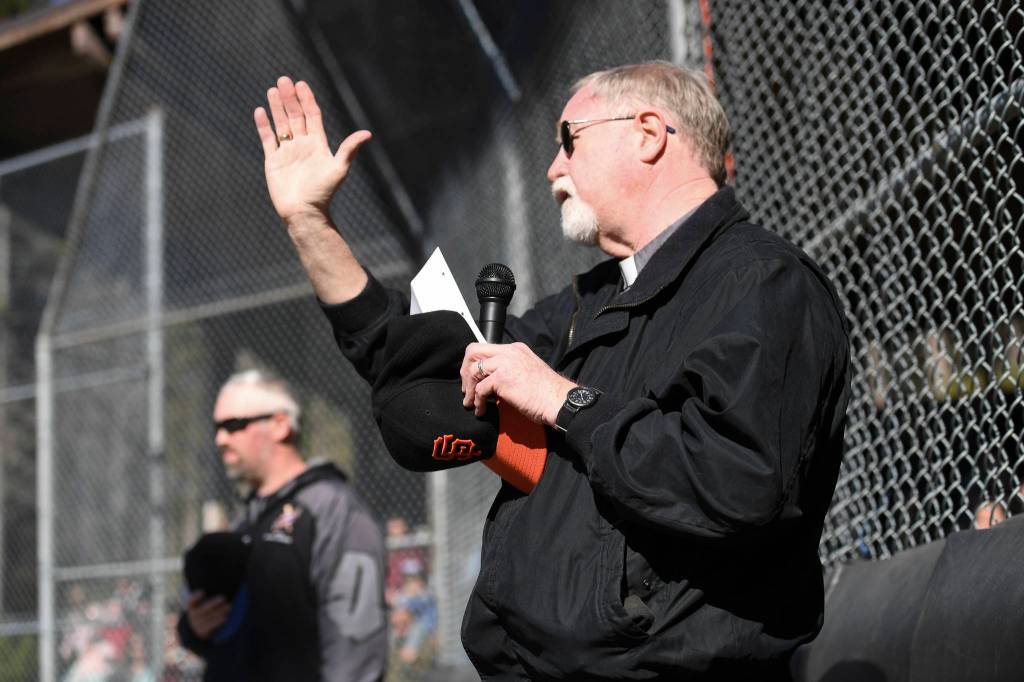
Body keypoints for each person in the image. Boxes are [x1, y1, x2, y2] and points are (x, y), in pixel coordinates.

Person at [253, 62, 851, 679]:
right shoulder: (584, 304)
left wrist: (564, 401)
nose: (553, 168)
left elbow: (739, 481)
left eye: (570, 140)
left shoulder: (762, 282)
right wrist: (310, 226)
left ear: (648, 133)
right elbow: (424, 369)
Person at [176, 370, 387, 681]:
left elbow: (358, 641)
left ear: (280, 425)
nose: (221, 439)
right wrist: (193, 628)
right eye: (217, 428)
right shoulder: (247, 521)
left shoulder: (330, 507)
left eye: (234, 425)